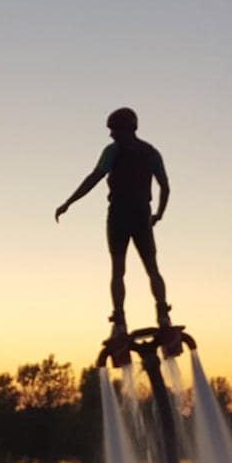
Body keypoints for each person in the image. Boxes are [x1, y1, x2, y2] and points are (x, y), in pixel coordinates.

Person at [55, 107, 172, 338]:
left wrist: (69, 201)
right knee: (151, 268)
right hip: (140, 214)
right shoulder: (150, 152)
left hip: (120, 214)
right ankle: (160, 315)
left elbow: (94, 177)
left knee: (120, 269)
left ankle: (121, 321)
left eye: (114, 130)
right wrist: (158, 213)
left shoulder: (114, 151)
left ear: (126, 128)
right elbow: (165, 187)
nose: (111, 135)